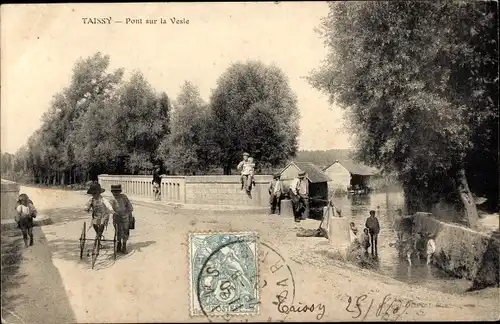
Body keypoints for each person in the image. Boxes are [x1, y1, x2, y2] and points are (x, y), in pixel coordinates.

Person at [110, 184, 134, 254]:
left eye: (117, 192)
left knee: (125, 231)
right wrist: (112, 212)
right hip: (116, 217)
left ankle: (124, 246)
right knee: (118, 231)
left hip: (125, 216)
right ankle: (119, 245)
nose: (116, 193)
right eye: (114, 192)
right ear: (112, 192)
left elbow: (129, 206)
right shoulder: (112, 199)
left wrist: (130, 215)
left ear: (120, 191)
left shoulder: (124, 197)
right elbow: (109, 208)